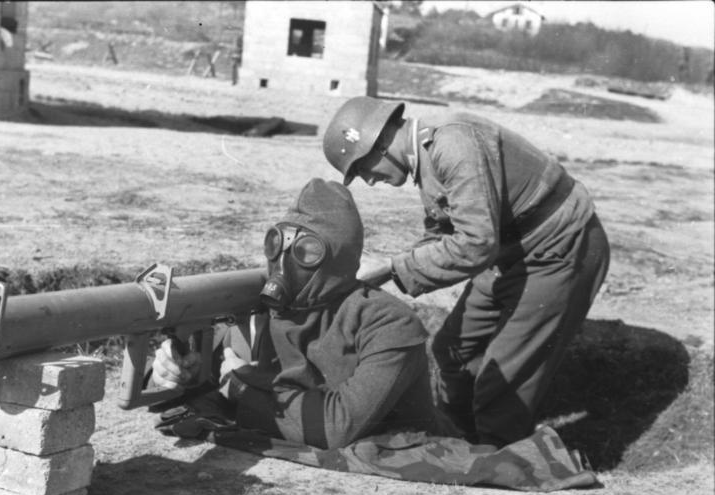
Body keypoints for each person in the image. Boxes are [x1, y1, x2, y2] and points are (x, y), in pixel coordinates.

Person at [322, 97, 610, 447]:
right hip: (509, 253)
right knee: (451, 352)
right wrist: (385, 269)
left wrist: (391, 268)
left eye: (364, 169)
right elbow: (442, 235)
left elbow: (475, 245)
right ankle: (459, 442)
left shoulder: (452, 144)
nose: (369, 181)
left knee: (501, 382)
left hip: (560, 248)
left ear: (381, 144)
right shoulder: (427, 158)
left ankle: (499, 467)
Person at [151, 178, 458, 449]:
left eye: (307, 251)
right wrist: (172, 373)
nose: (284, 264)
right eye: (278, 243)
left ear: (337, 258)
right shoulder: (259, 308)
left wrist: (242, 392)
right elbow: (199, 376)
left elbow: (338, 427)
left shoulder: (388, 322)